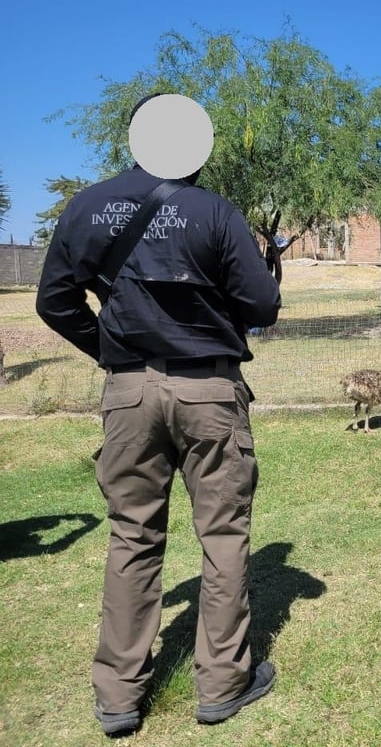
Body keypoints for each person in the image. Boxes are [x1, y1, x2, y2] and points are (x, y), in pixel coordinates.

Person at [36, 94, 282, 736]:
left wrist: (113, 353)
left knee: (131, 536)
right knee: (223, 538)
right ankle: (223, 684)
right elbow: (263, 302)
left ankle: (118, 696)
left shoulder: (88, 206)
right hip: (209, 393)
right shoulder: (216, 213)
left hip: (128, 394)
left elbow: (55, 301)